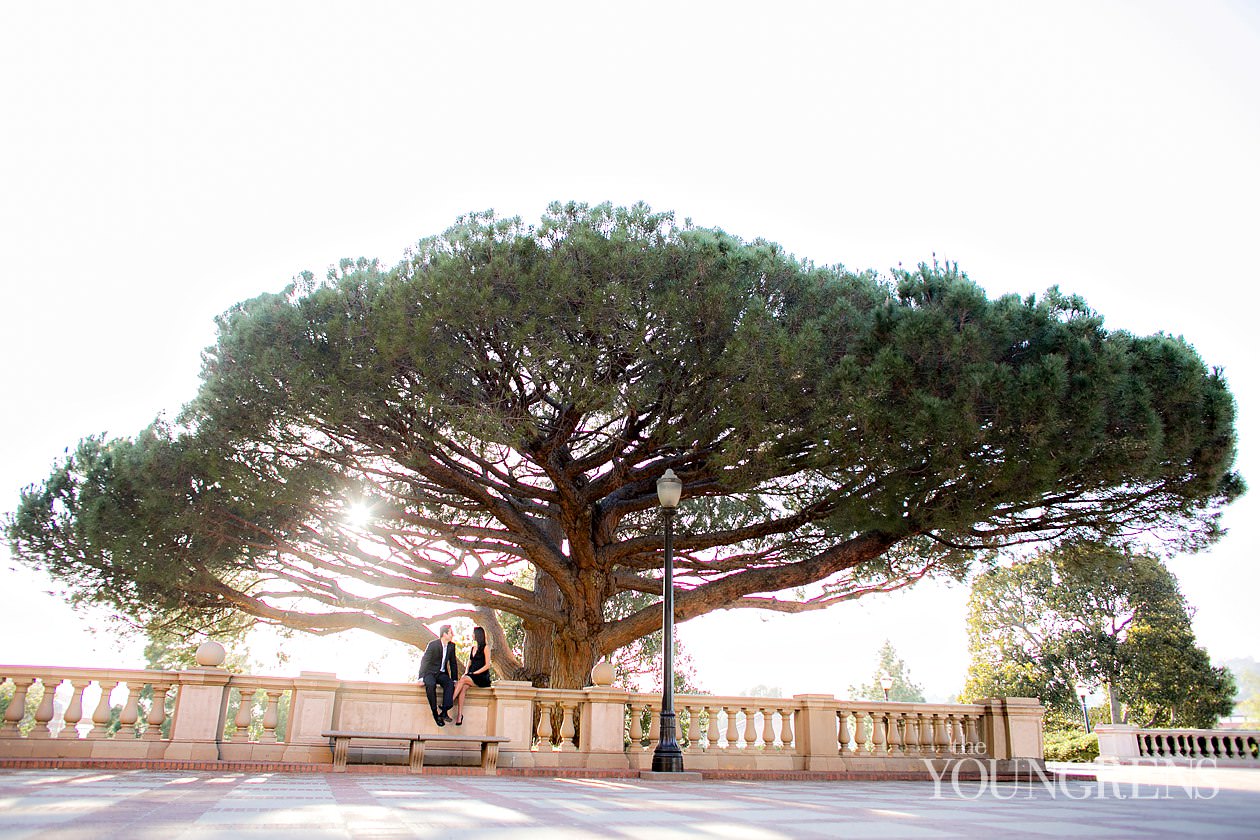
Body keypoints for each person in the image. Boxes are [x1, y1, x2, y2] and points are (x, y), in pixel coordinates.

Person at [449, 625, 492, 726]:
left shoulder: (485, 648)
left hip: (481, 676)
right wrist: (467, 672)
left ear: (477, 635)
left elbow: (487, 665)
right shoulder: (473, 648)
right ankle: (459, 716)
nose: (472, 635)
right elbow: (469, 662)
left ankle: (449, 702)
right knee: (463, 687)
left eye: (473, 633)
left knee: (463, 681)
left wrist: (475, 673)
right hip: (471, 675)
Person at [418, 624, 459, 727]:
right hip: (430, 673)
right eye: (451, 632)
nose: (452, 634)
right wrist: (421, 677)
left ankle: (444, 711)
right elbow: (425, 661)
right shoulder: (433, 645)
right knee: (430, 685)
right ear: (445, 634)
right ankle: (435, 713)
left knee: (449, 684)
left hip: (442, 673)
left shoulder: (451, 646)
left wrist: (454, 679)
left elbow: (453, 663)